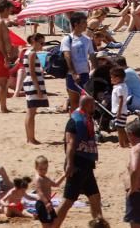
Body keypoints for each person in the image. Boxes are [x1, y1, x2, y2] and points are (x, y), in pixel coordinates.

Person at [52, 94, 105, 227]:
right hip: (78, 165)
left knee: (95, 198)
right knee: (67, 201)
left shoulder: (85, 117)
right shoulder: (75, 120)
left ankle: (99, 225)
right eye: (93, 105)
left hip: (87, 165)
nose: (94, 107)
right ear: (87, 105)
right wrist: (70, 164)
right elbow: (70, 143)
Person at [61, 12, 94, 112]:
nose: (86, 25)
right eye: (84, 22)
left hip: (85, 73)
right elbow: (67, 56)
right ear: (76, 24)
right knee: (74, 102)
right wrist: (74, 73)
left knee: (86, 101)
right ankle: (74, 124)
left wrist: (95, 69)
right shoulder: (67, 39)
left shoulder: (87, 39)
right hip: (72, 75)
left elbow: (92, 55)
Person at [24, 33, 49, 144]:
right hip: (33, 83)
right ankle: (31, 138)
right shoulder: (32, 53)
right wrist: (38, 89)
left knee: (30, 112)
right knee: (31, 112)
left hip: (31, 82)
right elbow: (32, 72)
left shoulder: (28, 52)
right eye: (41, 43)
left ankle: (29, 138)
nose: (42, 46)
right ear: (34, 42)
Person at [33, 156, 63, 228]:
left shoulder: (46, 178)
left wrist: (64, 175)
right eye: (41, 169)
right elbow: (39, 192)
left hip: (48, 203)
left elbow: (56, 184)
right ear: (36, 168)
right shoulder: (38, 179)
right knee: (47, 225)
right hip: (42, 204)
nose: (43, 171)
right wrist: (46, 203)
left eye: (45, 169)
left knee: (55, 221)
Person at [111, 67, 130, 148]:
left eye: (112, 77)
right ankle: (126, 142)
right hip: (121, 110)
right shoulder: (123, 86)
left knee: (120, 129)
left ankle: (122, 144)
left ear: (117, 78)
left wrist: (118, 112)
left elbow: (121, 100)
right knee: (121, 128)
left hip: (120, 111)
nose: (111, 79)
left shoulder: (119, 88)